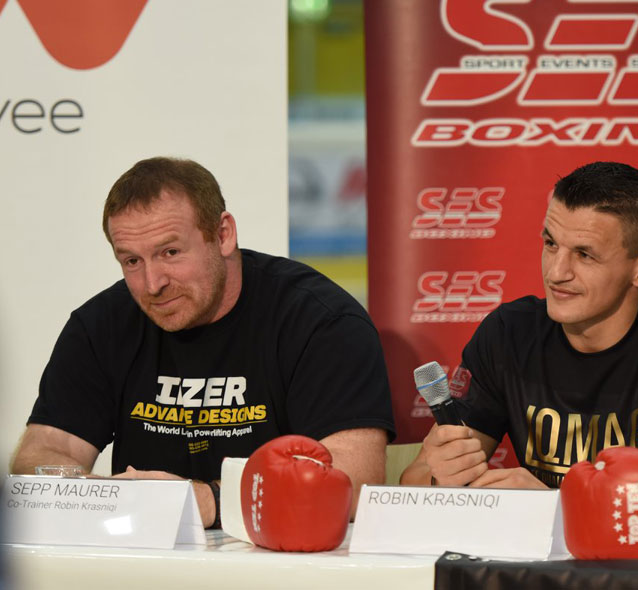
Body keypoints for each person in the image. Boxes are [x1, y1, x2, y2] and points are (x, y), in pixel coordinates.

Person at [10, 157, 395, 526]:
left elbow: (352, 482)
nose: (152, 283)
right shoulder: (101, 325)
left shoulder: (321, 322)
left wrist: (208, 501)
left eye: (170, 252)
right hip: (143, 564)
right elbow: (42, 454)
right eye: (131, 261)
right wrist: (89, 498)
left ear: (223, 234)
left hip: (282, 562)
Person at [401, 161, 638, 489]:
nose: (556, 273)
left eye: (584, 254)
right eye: (550, 243)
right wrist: (439, 478)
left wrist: (552, 509)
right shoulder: (508, 333)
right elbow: (414, 482)